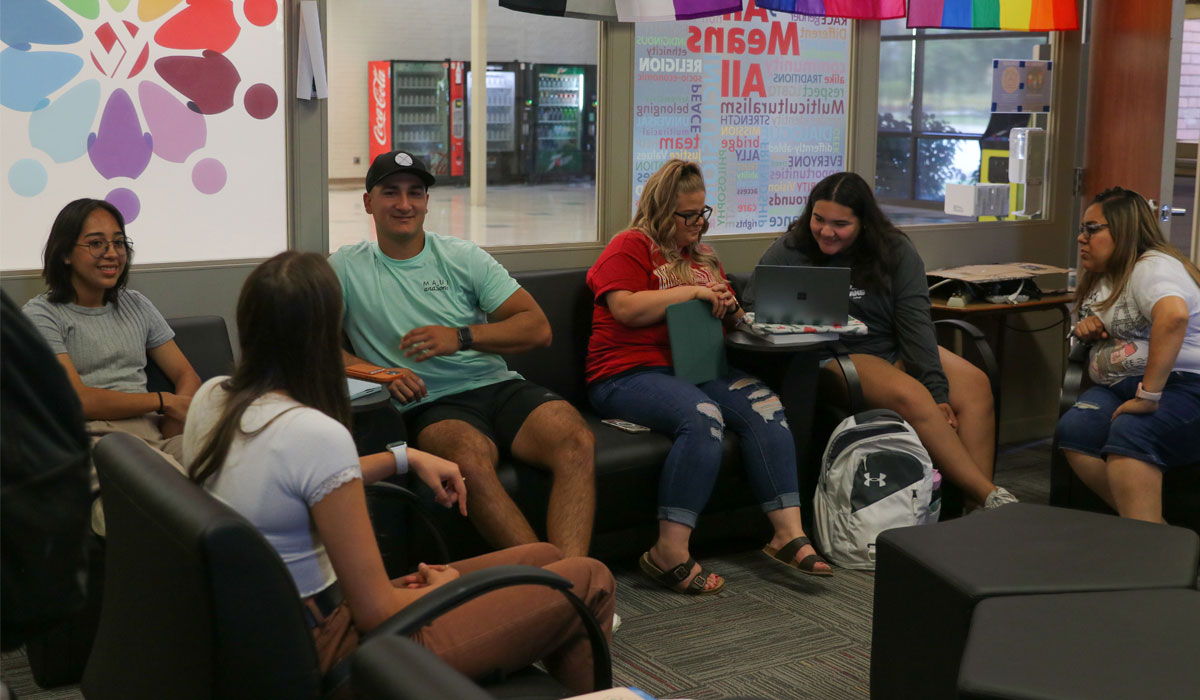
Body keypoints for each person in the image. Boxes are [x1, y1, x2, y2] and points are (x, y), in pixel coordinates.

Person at [182, 251, 614, 689]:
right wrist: (441, 586)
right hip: (344, 645)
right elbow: (378, 610)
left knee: (546, 558)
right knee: (590, 576)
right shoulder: (315, 433)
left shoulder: (214, 396)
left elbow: (296, 474)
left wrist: (403, 457)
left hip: (293, 623)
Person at [329, 151, 595, 557]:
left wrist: (462, 337)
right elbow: (313, 347)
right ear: (368, 202)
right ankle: (552, 585)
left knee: (575, 439)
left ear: (427, 201)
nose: (404, 205)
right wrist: (380, 373)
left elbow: (536, 326)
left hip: (498, 386)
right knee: (467, 462)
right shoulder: (345, 268)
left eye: (415, 193)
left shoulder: (461, 255)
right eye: (391, 193)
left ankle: (574, 579)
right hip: (431, 403)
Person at [586, 159, 832, 595]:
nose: (699, 224)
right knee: (703, 419)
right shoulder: (630, 246)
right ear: (661, 211)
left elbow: (726, 324)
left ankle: (786, 533)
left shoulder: (703, 257)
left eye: (703, 213)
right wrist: (694, 292)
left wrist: (732, 310)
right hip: (626, 373)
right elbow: (624, 307)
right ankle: (668, 552)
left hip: (697, 367)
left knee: (767, 406)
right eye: (688, 215)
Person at [745, 172, 1016, 511]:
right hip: (835, 356)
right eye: (818, 219)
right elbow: (754, 305)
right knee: (912, 396)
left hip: (893, 347)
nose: (826, 231)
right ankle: (991, 496)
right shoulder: (791, 249)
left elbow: (916, 323)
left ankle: (976, 517)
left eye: (840, 224)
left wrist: (937, 389)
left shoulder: (895, 250)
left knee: (975, 384)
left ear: (863, 224)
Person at [22, 198, 201, 535]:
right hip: (94, 440)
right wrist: (163, 402)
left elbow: (186, 374)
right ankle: (109, 521)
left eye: (119, 242)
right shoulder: (42, 315)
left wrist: (175, 419)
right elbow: (79, 400)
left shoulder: (136, 304)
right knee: (172, 493)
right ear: (65, 253)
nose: (112, 253)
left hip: (154, 436)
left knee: (228, 468)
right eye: (96, 243)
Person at [1056, 187, 1200, 523]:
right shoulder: (1102, 277)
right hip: (1120, 385)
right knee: (1075, 429)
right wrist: (1086, 328)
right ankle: (1157, 535)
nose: (1081, 238)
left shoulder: (1151, 267)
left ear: (1125, 231)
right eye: (1082, 229)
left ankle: (1149, 552)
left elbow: (1173, 316)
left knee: (1132, 431)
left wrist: (1149, 395)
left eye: (1092, 229)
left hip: (1185, 385)